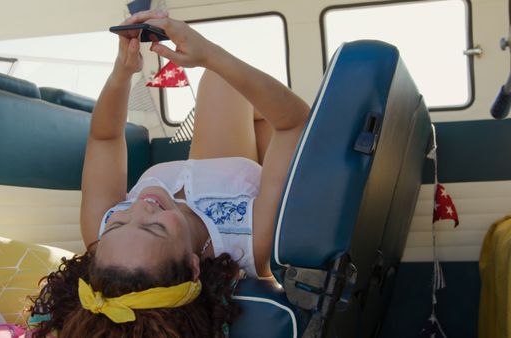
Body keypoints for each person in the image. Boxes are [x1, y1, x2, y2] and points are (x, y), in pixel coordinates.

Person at [29, 9, 310, 338]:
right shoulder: (252, 240)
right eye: (155, 228)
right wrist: (209, 54)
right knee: (225, 78)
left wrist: (123, 72)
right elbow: (295, 125)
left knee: (221, 83)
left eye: (118, 221)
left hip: (217, 164)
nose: (140, 208)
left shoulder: (102, 233)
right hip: (252, 188)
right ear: (193, 266)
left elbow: (104, 139)